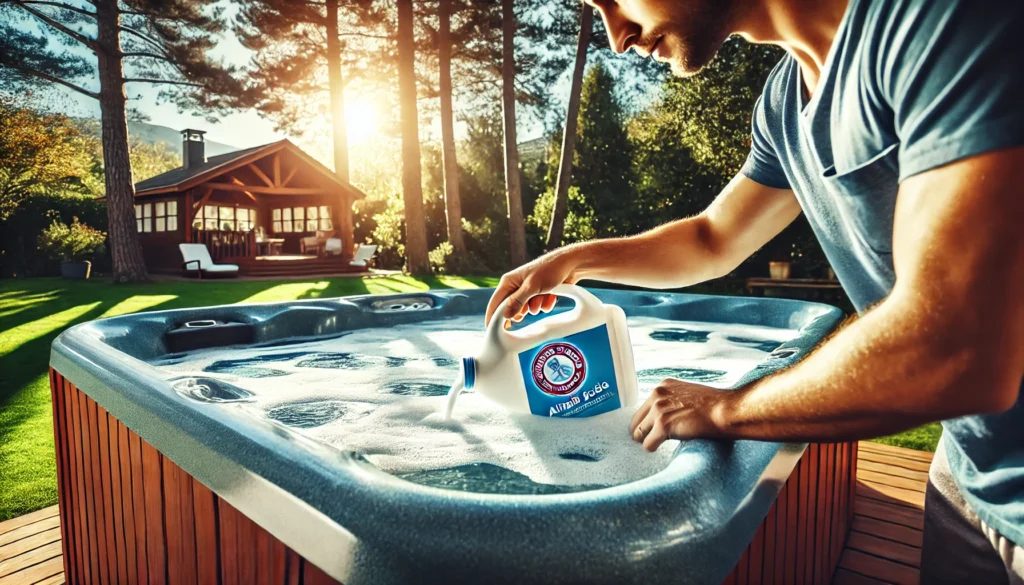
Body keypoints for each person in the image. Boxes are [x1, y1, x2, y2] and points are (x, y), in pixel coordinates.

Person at [483, 0, 1023, 582]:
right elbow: (713, 238)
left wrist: (726, 409)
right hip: (970, 467)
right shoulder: (786, 100)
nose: (617, 36)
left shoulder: (945, 24)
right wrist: (576, 260)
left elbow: (955, 349)